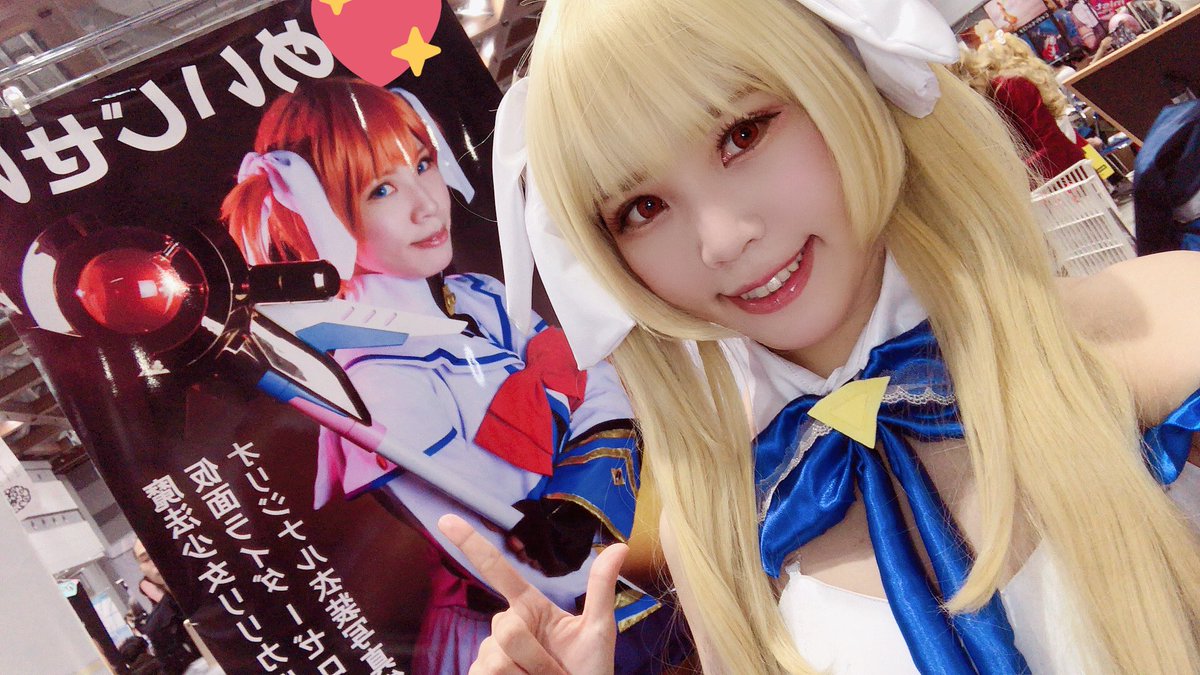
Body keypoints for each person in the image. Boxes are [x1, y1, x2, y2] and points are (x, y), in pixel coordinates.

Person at [440, 0, 1200, 673]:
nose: (723, 240)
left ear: (841, 77)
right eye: (641, 208)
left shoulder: (1168, 326)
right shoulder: (717, 532)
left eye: (742, 133)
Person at [221, 78, 660, 673]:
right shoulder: (370, 382)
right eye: (380, 189)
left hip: (627, 587)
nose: (426, 204)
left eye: (423, 164)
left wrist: (579, 503)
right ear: (319, 216)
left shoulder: (480, 296)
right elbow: (522, 559)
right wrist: (590, 498)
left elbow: (606, 387)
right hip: (526, 640)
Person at [953, 33, 1089, 181]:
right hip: (1057, 173)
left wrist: (1016, 179)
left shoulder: (1009, 88)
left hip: (1065, 177)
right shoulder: (998, 92)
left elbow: (1050, 143)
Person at [133, 540, 201, 675]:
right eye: (146, 559)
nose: (155, 561)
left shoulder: (216, 588)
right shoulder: (157, 626)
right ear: (141, 569)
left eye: (159, 552)